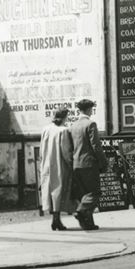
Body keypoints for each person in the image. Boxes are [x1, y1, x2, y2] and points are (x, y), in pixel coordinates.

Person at [69, 98, 108, 230]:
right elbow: (96, 146)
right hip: (89, 164)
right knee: (94, 193)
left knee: (83, 195)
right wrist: (104, 161)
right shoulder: (90, 124)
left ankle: (88, 223)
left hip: (76, 164)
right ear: (89, 109)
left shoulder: (73, 126)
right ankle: (81, 211)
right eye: (92, 109)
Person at [39, 107, 74, 231]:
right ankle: (56, 220)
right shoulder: (63, 131)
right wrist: (71, 163)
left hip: (47, 164)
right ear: (65, 117)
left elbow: (42, 148)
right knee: (58, 191)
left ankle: (55, 220)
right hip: (59, 164)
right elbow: (66, 151)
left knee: (49, 190)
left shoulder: (45, 129)